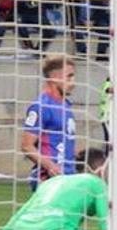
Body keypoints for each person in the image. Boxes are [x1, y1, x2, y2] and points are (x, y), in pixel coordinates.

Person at [21, 56, 77, 191]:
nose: (73, 82)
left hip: (68, 177)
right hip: (48, 179)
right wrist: (50, 166)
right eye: (69, 76)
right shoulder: (41, 106)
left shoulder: (66, 105)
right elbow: (26, 146)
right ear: (54, 77)